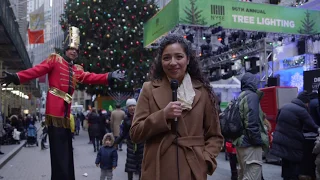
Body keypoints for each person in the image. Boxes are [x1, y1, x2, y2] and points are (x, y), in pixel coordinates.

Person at [0, 26, 125, 180]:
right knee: (58, 151)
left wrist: (109, 75)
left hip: (66, 114)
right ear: (66, 49)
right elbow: (37, 70)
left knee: (66, 149)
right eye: (71, 48)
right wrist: (17, 77)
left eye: (76, 50)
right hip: (54, 111)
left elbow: (91, 77)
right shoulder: (55, 60)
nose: (74, 52)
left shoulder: (77, 69)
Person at [129, 34, 224, 180]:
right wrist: (163, 116)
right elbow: (135, 133)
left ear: (188, 59)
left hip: (193, 169)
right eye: (166, 58)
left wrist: (205, 160)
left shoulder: (203, 92)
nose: (173, 62)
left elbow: (215, 136)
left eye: (179, 57)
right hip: (158, 170)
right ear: (161, 62)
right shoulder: (148, 89)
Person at [271, 91, 320, 180]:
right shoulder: (301, 110)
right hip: (292, 142)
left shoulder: (285, 106)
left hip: (280, 139)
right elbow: (312, 125)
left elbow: (277, 120)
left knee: (286, 164)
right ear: (306, 102)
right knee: (294, 166)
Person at [232, 72, 269, 180]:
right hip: (250, 144)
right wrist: (257, 141)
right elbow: (251, 122)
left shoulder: (241, 96)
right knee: (252, 176)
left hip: (241, 142)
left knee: (244, 175)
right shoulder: (251, 96)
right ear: (253, 83)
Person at [115, 98, 144, 180]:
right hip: (131, 144)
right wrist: (115, 142)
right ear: (127, 108)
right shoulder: (126, 118)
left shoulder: (141, 116)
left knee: (141, 165)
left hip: (141, 143)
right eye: (130, 106)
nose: (132, 108)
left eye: (133, 106)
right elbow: (123, 133)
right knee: (130, 165)